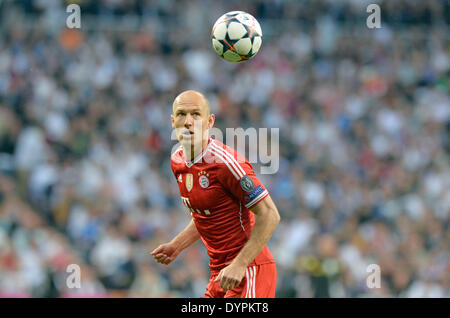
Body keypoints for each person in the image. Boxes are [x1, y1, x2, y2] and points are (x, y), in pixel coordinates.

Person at [151, 90, 280, 298]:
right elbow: (206, 214)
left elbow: (270, 215)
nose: (188, 122)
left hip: (248, 272)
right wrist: (177, 245)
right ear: (173, 121)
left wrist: (239, 264)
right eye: (182, 114)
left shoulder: (226, 163)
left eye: (196, 114)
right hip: (219, 275)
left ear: (210, 121)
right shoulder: (177, 160)